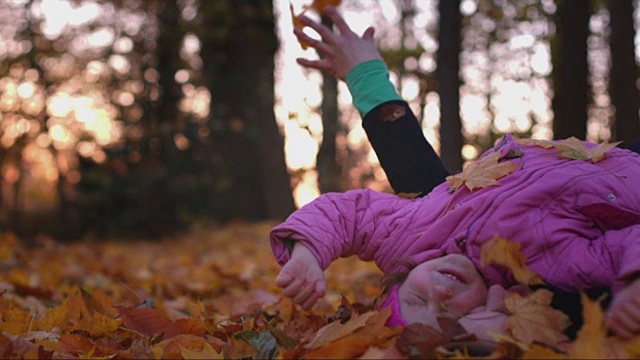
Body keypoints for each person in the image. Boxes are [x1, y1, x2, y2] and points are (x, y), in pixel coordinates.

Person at [271, 6, 640, 341]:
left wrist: (306, 254)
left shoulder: (415, 238)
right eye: (450, 313)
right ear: (490, 311)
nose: (440, 295)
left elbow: (350, 214)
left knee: (424, 194)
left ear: (401, 277)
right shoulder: (545, 272)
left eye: (417, 297)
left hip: (585, 159)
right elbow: (625, 245)